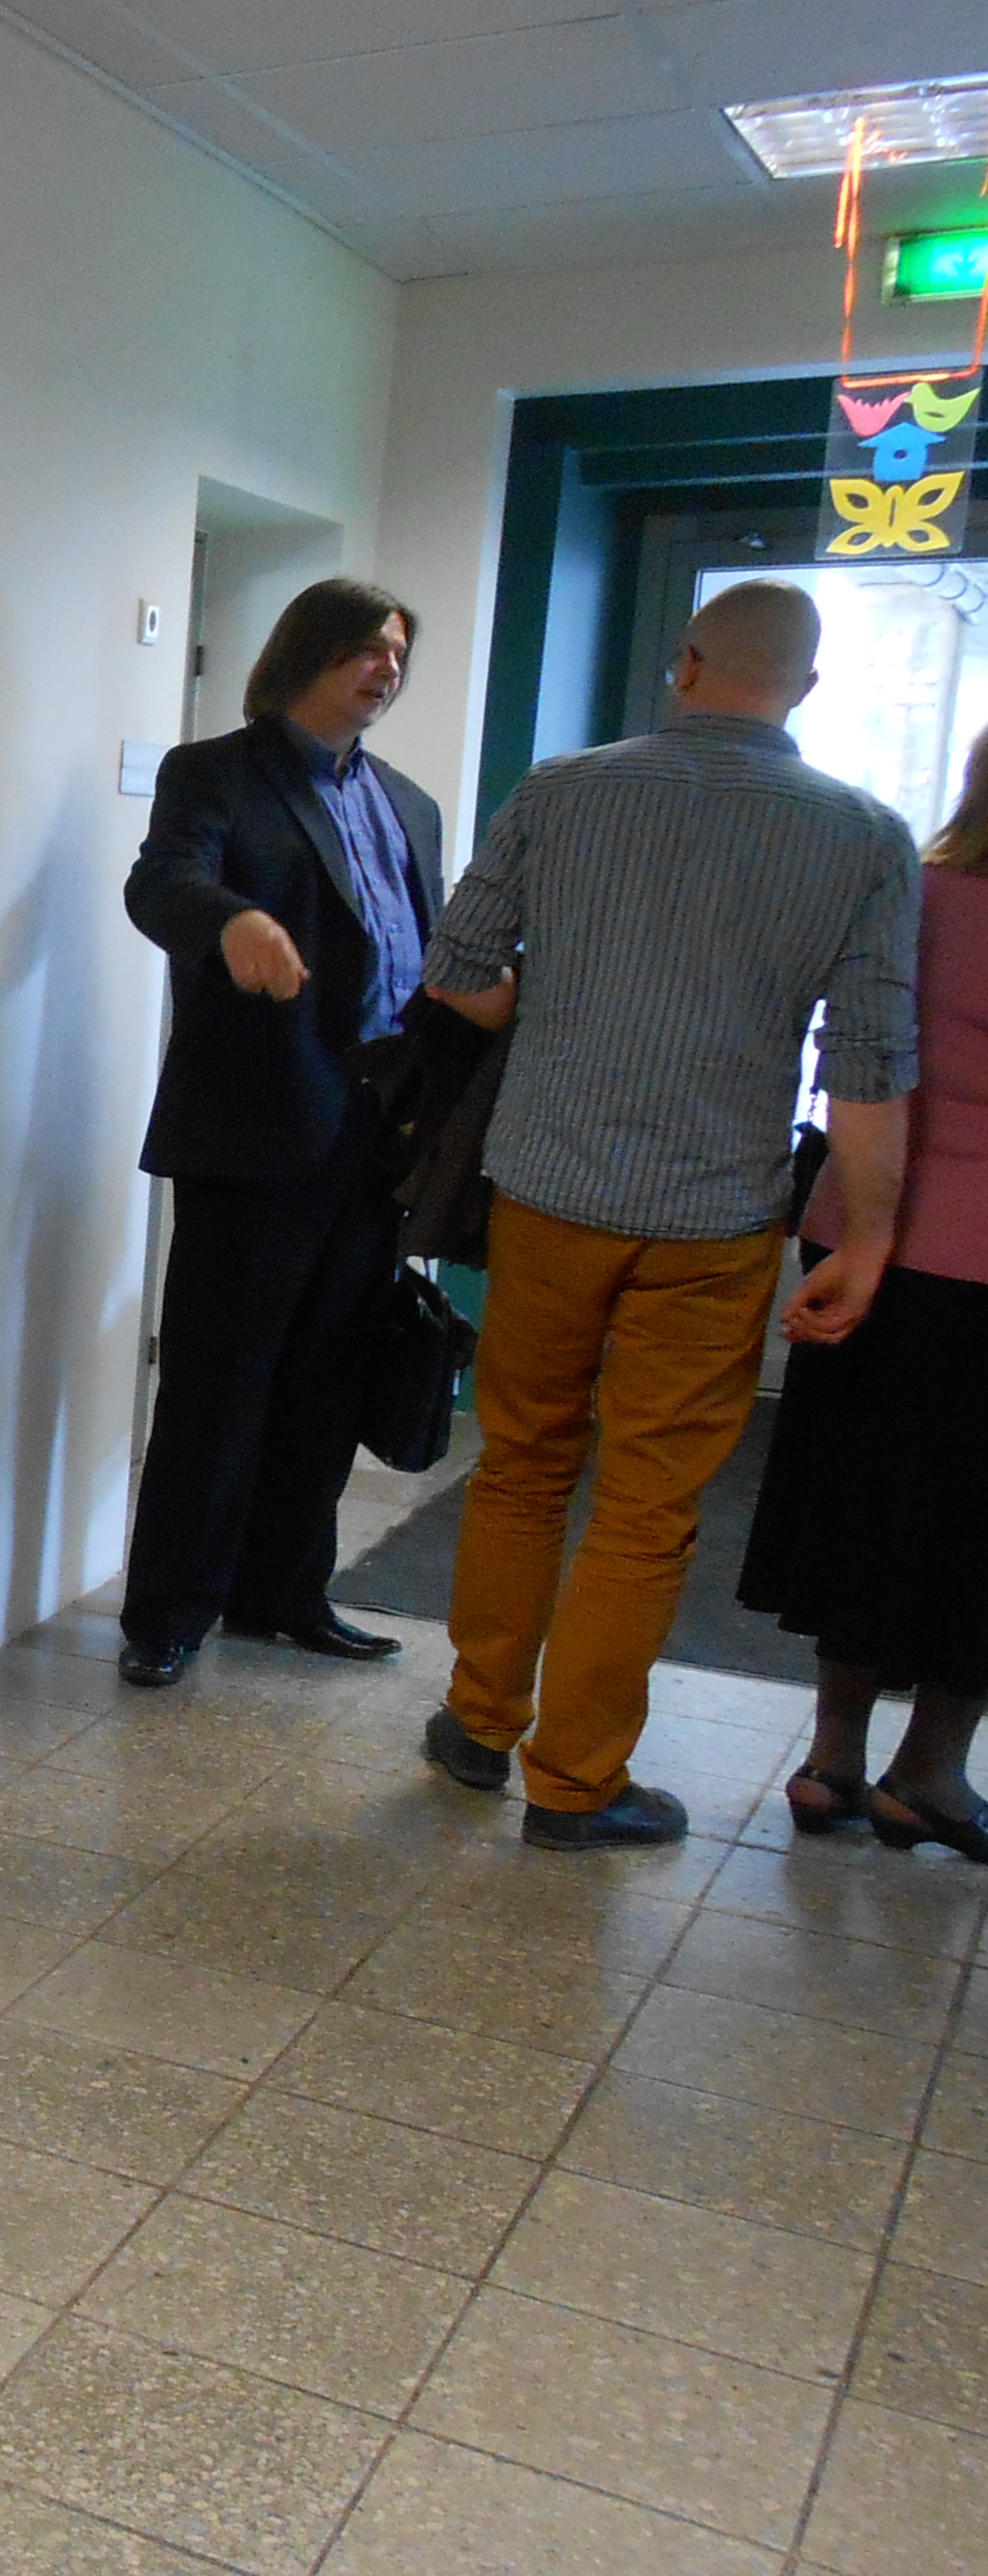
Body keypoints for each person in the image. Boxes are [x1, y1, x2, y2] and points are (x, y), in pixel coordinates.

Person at [420, 579, 921, 1849]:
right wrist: (867, 1241)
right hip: (716, 1214)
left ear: (685, 665)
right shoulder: (866, 837)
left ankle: (478, 1721)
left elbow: (456, 969)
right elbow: (868, 1064)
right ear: (806, 689)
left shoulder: (562, 791)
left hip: (550, 1187)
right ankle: (577, 1783)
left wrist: (560, 1017)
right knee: (648, 1506)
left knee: (523, 1464)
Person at [114, 579, 446, 1688]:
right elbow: (162, 884)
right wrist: (233, 921)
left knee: (329, 1380)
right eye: (368, 649)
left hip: (380, 1128)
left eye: (398, 654)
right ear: (310, 651)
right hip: (257, 1126)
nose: (387, 669)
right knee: (219, 1381)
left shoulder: (408, 803)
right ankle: (170, 1611)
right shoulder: (216, 772)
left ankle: (286, 1595)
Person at [743, 723, 988, 1852]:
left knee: (865, 1505)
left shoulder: (911, 897)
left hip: (866, 1240)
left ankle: (832, 1760)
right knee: (974, 1531)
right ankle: (929, 1773)